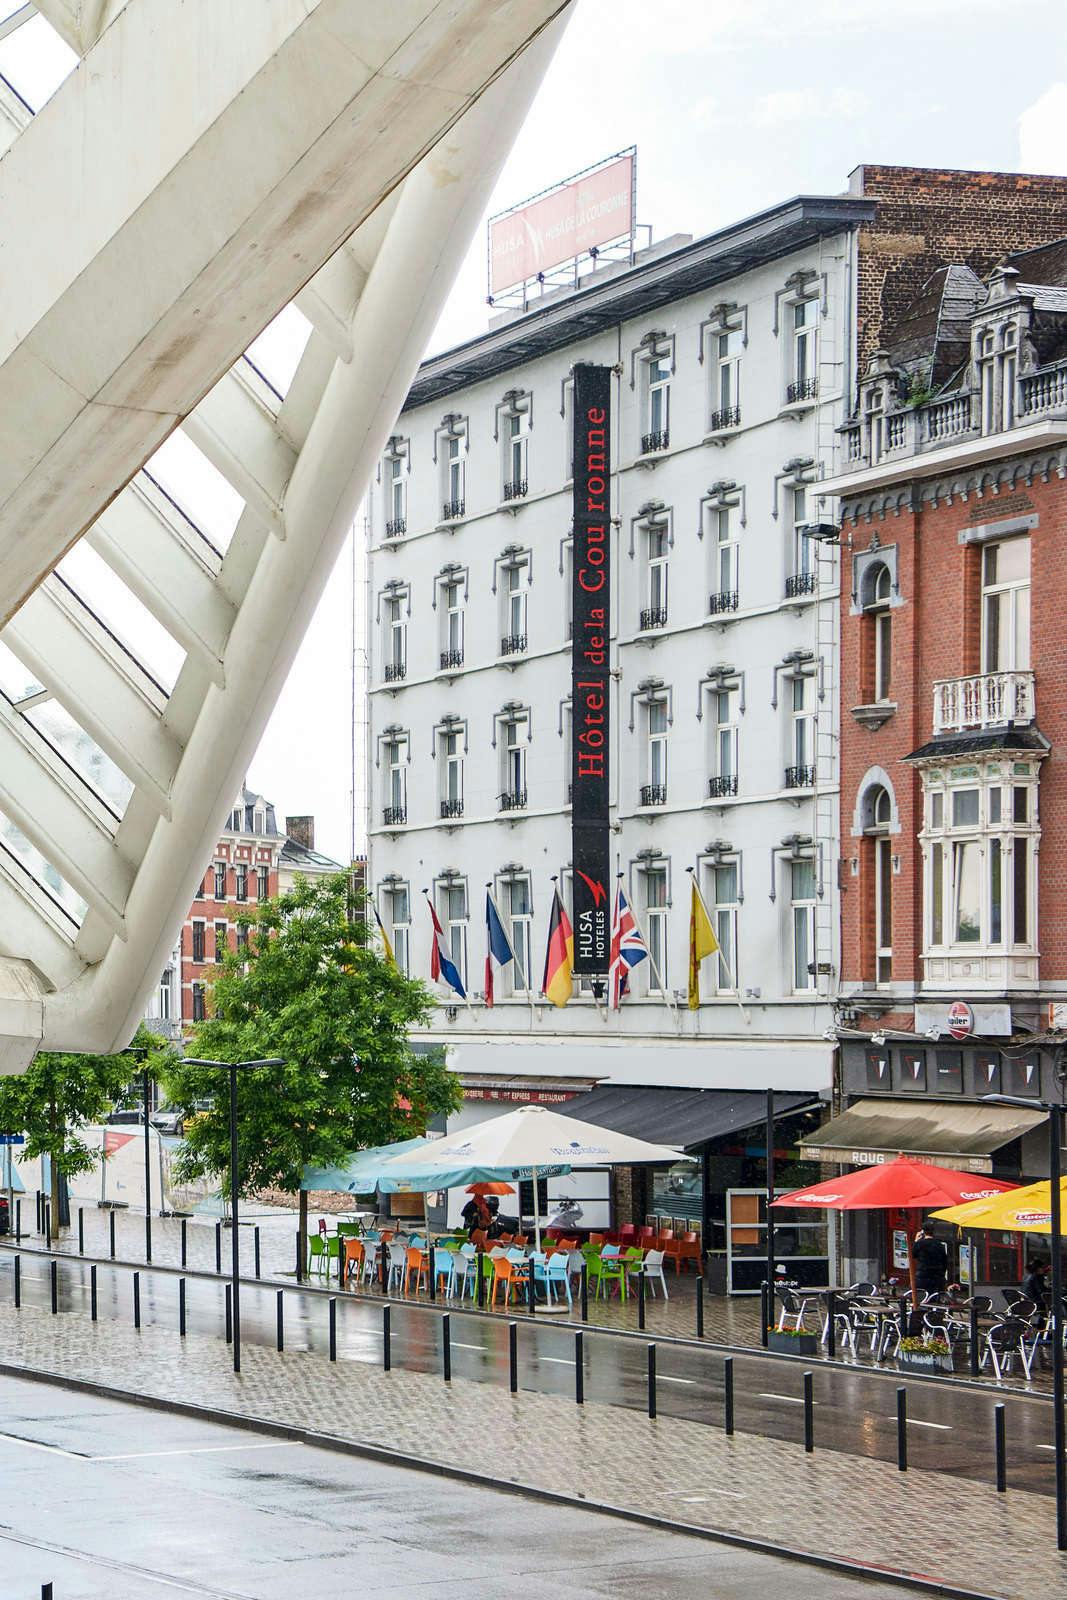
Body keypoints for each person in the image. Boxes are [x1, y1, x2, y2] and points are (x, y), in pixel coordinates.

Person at [913, 1225, 949, 1297]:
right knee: (936, 1298)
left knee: (921, 1297)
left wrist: (916, 1241)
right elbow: (945, 1262)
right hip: (937, 1277)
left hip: (923, 1276)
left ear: (923, 1232)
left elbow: (913, 1255)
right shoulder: (940, 1245)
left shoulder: (920, 1244)